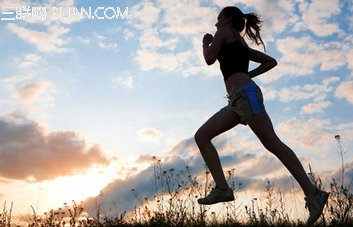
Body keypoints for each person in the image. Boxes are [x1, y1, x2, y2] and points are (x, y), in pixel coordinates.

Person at [194, 6, 329, 225]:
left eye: (218, 19)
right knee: (202, 136)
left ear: (227, 19)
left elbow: (209, 59)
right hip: (237, 100)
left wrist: (205, 42)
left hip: (246, 96)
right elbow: (270, 61)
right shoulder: (241, 44)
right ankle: (222, 189)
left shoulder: (223, 33)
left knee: (272, 143)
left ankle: (313, 193)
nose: (216, 23)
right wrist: (248, 74)